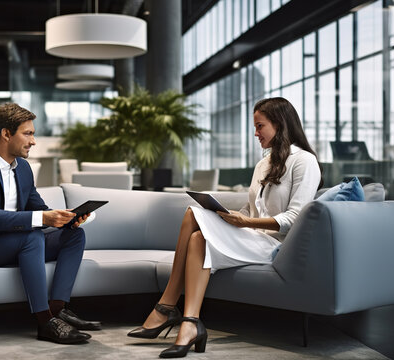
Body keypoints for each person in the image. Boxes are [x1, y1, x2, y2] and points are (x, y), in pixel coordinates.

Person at [127, 97, 323, 358]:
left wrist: (247, 223)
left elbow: (295, 217)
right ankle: (190, 323)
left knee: (192, 213)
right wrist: (233, 216)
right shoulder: (263, 164)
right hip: (251, 238)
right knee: (197, 239)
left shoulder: (305, 162)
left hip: (275, 246)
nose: (255, 133)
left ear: (280, 124)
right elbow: (252, 209)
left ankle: (166, 305)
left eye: (260, 126)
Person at [0, 103, 101, 344]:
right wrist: (43, 219)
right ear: (6, 134)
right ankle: (43, 321)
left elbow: (38, 209)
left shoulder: (23, 169)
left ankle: (58, 310)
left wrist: (67, 218)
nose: (34, 141)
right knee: (32, 236)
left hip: (12, 241)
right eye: (28, 133)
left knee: (74, 236)